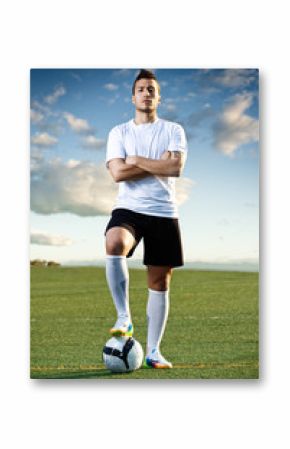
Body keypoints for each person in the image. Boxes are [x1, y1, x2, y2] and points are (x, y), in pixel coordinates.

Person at [104, 69, 188, 368]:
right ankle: (124, 317)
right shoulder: (119, 132)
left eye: (152, 89)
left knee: (160, 281)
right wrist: (157, 164)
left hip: (164, 210)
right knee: (115, 242)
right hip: (129, 208)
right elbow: (117, 173)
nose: (147, 93)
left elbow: (175, 167)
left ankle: (154, 351)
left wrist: (136, 160)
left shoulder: (174, 130)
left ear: (159, 96)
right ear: (133, 96)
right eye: (141, 88)